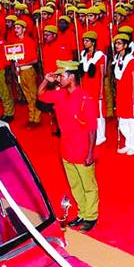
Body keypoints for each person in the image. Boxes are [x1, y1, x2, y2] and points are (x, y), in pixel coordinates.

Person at [39, 60, 100, 232]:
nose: (58, 78)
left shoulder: (85, 98)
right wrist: (46, 80)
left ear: (71, 76)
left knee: (88, 185)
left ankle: (91, 216)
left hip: (81, 148)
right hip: (66, 148)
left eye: (61, 75)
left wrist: (90, 153)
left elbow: (92, 128)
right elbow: (41, 95)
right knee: (75, 184)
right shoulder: (60, 94)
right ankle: (82, 212)